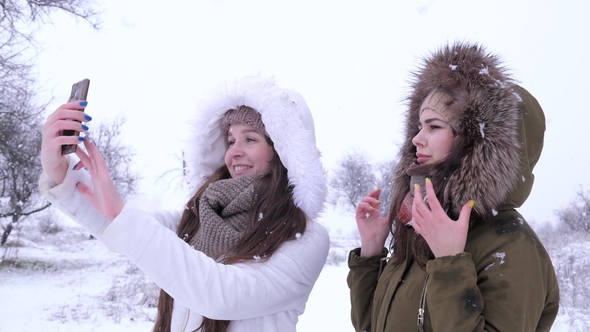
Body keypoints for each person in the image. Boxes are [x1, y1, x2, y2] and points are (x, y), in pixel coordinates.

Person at [39, 76, 330, 332]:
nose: (234, 153)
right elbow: (117, 223)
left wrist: (120, 214)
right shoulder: (197, 217)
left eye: (250, 139)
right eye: (230, 141)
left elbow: (222, 295)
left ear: (282, 153)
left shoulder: (304, 237)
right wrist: (59, 169)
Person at [347, 42, 560, 331]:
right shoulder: (417, 228)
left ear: (474, 142)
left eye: (434, 127)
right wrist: (372, 255)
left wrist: (449, 263)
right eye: (419, 126)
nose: (416, 139)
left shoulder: (512, 246)